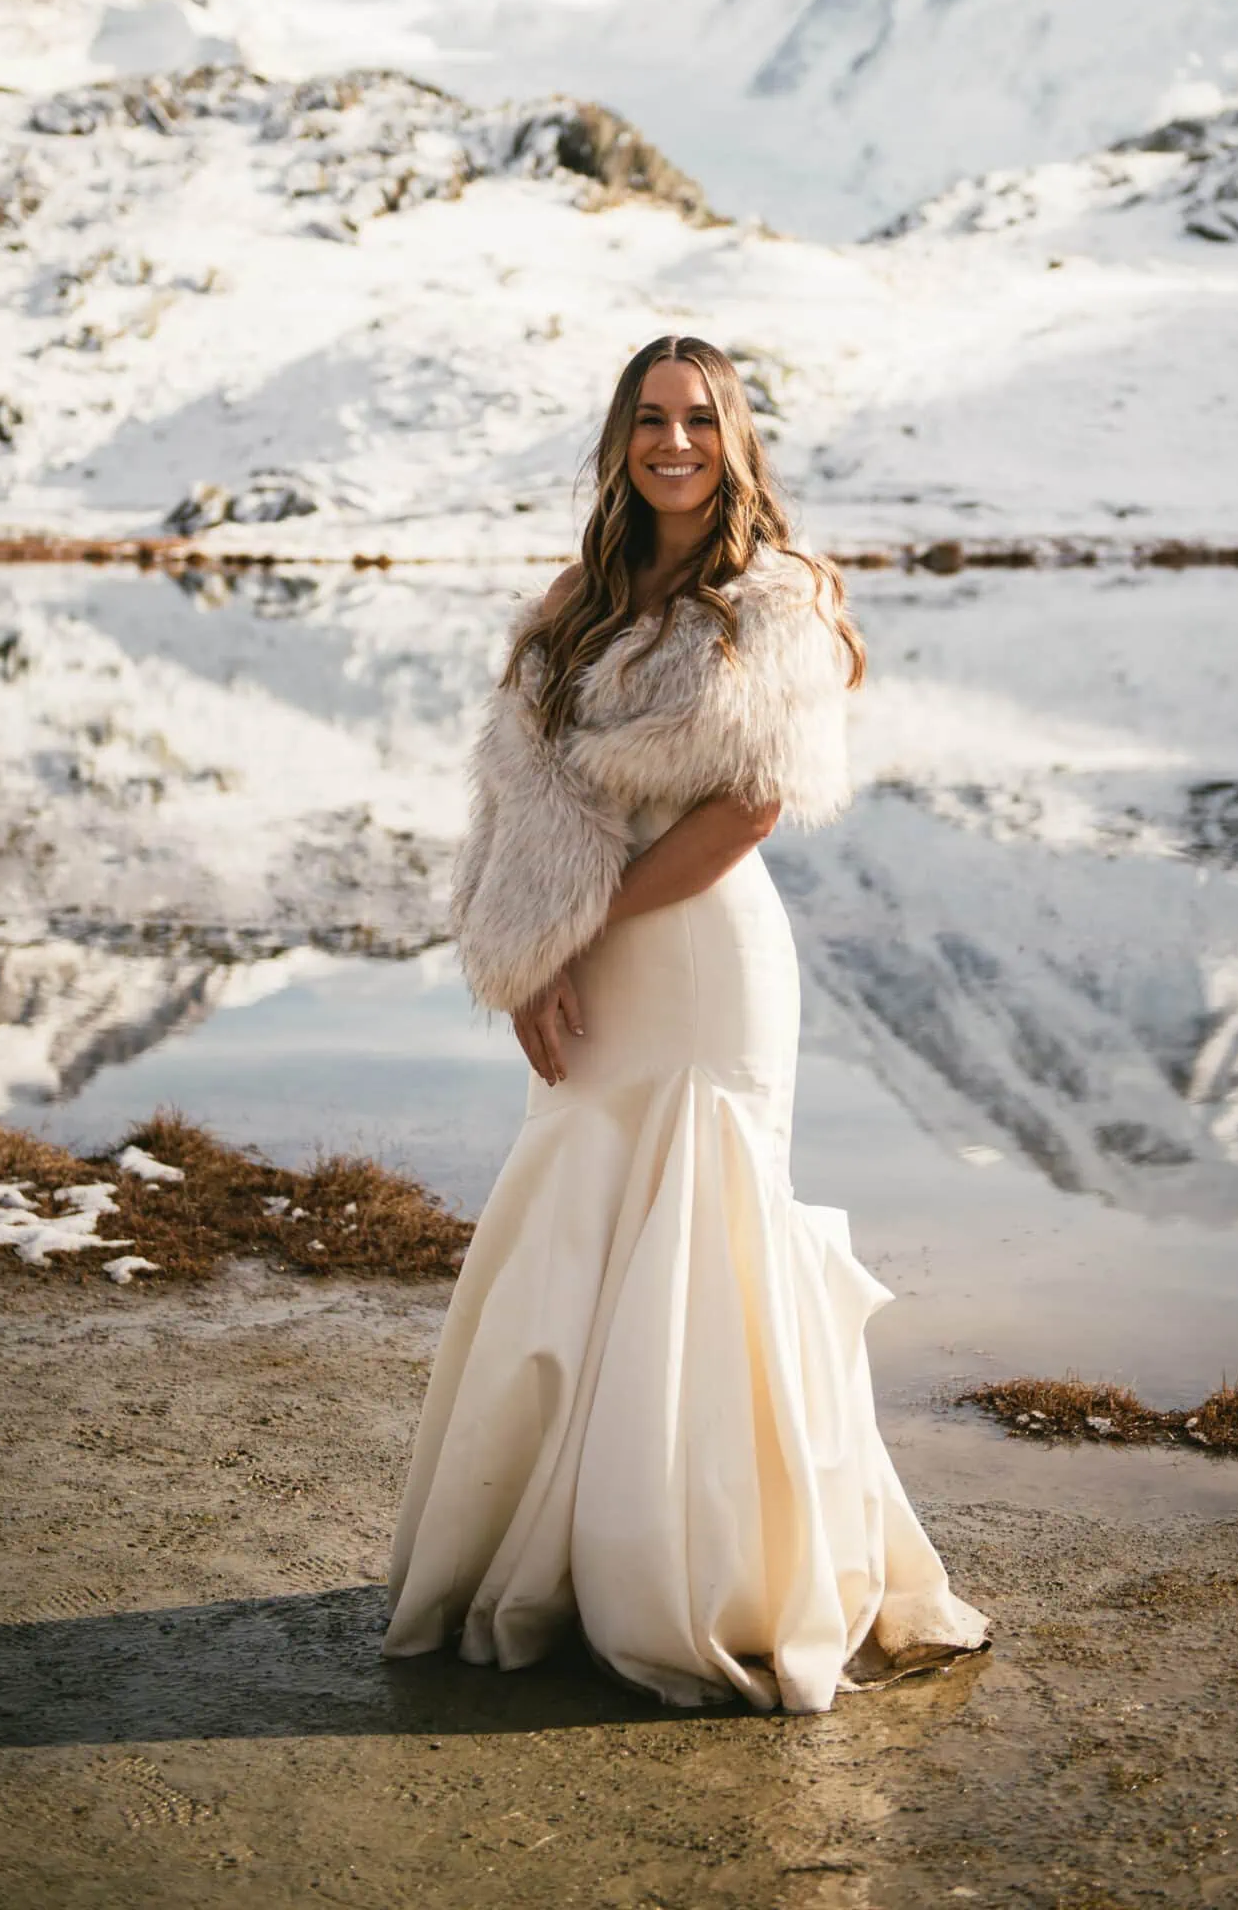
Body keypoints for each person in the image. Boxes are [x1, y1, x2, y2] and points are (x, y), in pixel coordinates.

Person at [381, 334, 988, 1713]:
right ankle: (572, 1563)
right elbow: (523, 802)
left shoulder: (774, 598)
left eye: (700, 421)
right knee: (581, 1230)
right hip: (585, 960)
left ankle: (706, 1572)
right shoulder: (573, 603)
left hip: (703, 956)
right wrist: (524, 952)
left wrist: (574, 933)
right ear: (619, 438)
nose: (674, 444)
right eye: (651, 420)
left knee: (703, 1243)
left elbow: (749, 807)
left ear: (735, 439)